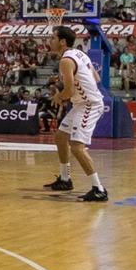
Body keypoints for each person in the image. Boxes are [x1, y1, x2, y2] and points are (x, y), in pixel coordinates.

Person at [43, 22, 108, 200]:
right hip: (82, 103)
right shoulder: (79, 54)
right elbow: (96, 77)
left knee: (77, 147)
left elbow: (69, 91)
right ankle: (65, 179)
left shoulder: (65, 60)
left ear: (62, 41)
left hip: (89, 105)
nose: (50, 41)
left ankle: (99, 189)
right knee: (60, 136)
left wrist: (59, 96)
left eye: (53, 38)